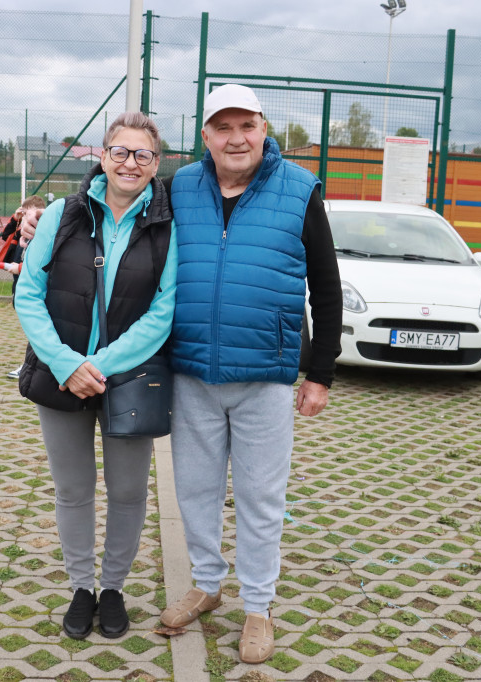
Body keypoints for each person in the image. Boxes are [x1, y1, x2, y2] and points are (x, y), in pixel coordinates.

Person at [157, 84, 342, 664]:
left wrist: (321, 372)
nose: (236, 138)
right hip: (191, 373)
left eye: (247, 126)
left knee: (262, 498)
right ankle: (208, 586)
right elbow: (116, 208)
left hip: (266, 376)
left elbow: (327, 286)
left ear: (264, 128)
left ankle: (259, 608)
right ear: (205, 136)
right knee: (196, 492)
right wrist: (45, 218)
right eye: (223, 127)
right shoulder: (179, 186)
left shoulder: (300, 189)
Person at [14, 111, 176, 641]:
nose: (131, 162)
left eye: (143, 154)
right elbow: (28, 295)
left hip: (128, 380)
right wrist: (66, 364)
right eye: (121, 152)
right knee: (74, 489)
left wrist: (97, 367)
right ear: (102, 156)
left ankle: (113, 588)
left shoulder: (167, 226)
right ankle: (82, 587)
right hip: (60, 377)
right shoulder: (62, 214)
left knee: (128, 492)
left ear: (157, 163)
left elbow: (163, 311)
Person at [1, 195, 47, 380]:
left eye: (27, 213)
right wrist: (14, 219)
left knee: (33, 328)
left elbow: (39, 264)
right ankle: (34, 365)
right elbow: (5, 236)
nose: (24, 217)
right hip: (19, 284)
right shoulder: (22, 230)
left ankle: (30, 366)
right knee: (27, 327)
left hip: (33, 288)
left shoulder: (42, 234)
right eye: (23, 213)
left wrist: (18, 268)